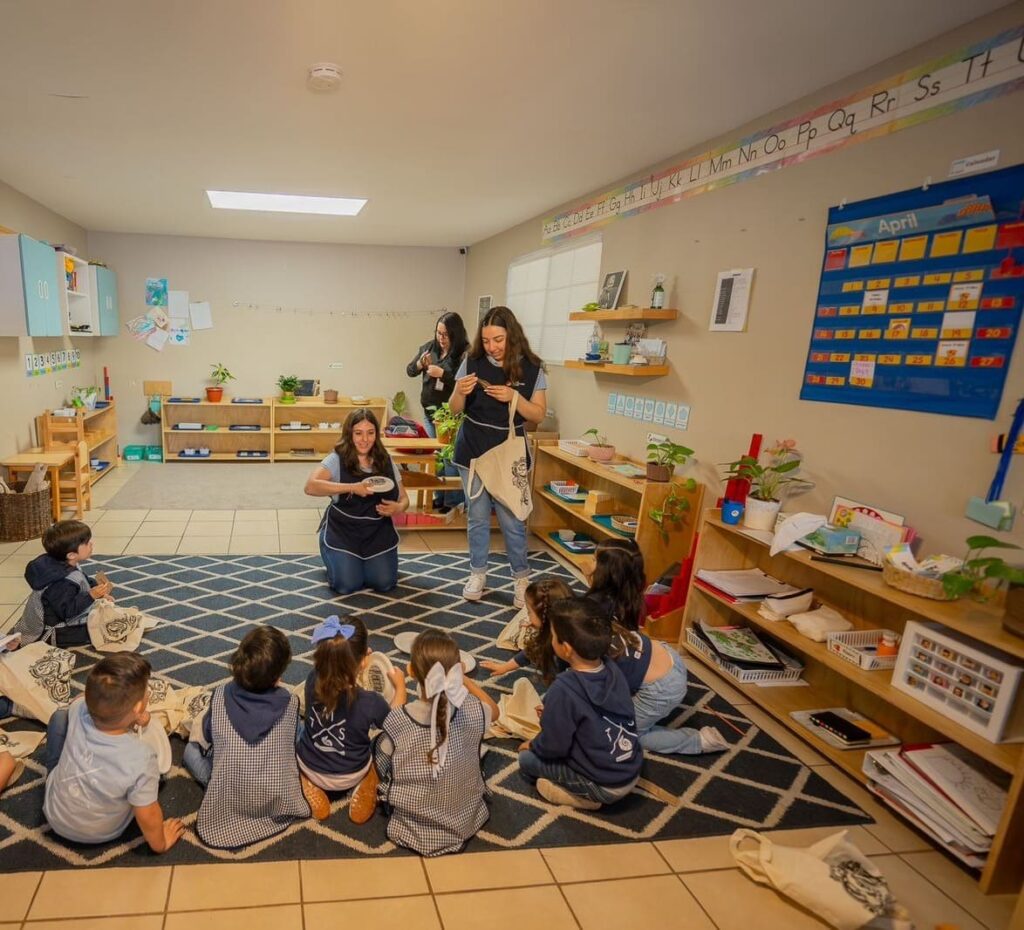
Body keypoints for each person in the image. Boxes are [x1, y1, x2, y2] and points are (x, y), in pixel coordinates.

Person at [449, 306, 548, 608]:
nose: (492, 347)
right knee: (477, 518)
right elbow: (454, 408)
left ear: (512, 336)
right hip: (474, 451)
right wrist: (461, 391)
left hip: (508, 451)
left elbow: (539, 416)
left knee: (513, 518)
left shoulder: (532, 368)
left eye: (498, 340)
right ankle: (478, 573)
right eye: (487, 340)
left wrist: (514, 397)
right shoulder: (472, 361)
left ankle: (521, 578)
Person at [374, 629, 499, 856]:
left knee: (380, 746)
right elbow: (495, 711)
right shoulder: (474, 709)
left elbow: (390, 722)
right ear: (458, 672)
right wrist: (466, 681)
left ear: (411, 671)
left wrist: (400, 687)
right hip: (465, 820)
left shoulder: (401, 718)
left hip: (412, 825)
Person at [185, 626, 311, 848]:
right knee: (298, 729)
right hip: (274, 792)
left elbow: (208, 734)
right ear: (278, 677)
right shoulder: (290, 701)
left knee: (191, 752)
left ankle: (222, 782)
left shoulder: (221, 694)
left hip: (229, 791)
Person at [43, 653, 184, 852]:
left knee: (59, 717)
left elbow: (80, 700)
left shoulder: (79, 710)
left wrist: (130, 717)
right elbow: (147, 813)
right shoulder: (142, 756)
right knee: (153, 778)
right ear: (137, 707)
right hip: (101, 831)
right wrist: (161, 843)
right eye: (146, 689)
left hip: (56, 816)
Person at [517, 596, 641, 810]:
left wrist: (533, 745)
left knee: (526, 761)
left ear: (566, 649)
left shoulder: (564, 687)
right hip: (630, 770)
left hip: (604, 784)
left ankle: (584, 798)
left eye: (553, 636)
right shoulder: (612, 669)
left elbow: (554, 746)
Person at [296, 615, 406, 824]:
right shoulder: (371, 701)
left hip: (309, 764)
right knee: (383, 743)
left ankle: (306, 781)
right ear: (365, 659)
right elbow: (396, 721)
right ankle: (367, 780)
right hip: (352, 772)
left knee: (299, 729)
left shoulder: (312, 680)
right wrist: (400, 687)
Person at [304, 408, 410, 595]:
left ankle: (363, 565)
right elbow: (310, 486)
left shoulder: (386, 460)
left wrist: (398, 508)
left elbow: (404, 498)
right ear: (349, 434)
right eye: (358, 433)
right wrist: (352, 487)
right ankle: (332, 555)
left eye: (370, 433)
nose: (365, 439)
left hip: (377, 533)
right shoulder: (336, 459)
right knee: (347, 586)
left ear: (376, 434)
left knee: (384, 584)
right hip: (343, 533)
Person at [14, 520, 113, 646]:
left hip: (61, 611)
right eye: (87, 543)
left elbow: (82, 579)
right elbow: (68, 611)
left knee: (103, 617)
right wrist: (91, 596)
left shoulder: (61, 561)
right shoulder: (61, 582)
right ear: (71, 555)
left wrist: (97, 589)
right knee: (102, 628)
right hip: (54, 628)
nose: (91, 544)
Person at [480, 577, 573, 682]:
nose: (528, 616)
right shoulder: (556, 630)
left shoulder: (564, 645)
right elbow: (532, 650)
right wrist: (505, 667)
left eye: (529, 612)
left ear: (544, 616)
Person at [406, 311, 469, 436]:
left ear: (455, 335)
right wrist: (420, 364)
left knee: (446, 454)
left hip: (450, 418)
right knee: (432, 453)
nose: (441, 338)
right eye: (438, 333)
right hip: (429, 414)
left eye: (446, 334)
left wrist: (442, 374)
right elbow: (410, 371)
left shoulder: (464, 353)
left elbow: (464, 385)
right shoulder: (429, 348)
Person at [586, 538, 646, 631]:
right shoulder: (632, 598)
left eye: (594, 560)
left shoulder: (594, 602)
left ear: (606, 570)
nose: (591, 563)